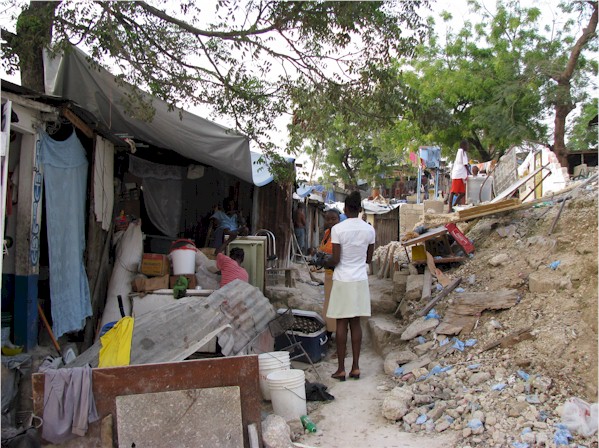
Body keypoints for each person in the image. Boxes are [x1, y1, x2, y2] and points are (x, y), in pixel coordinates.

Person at [325, 191, 375, 381]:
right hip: (360, 279)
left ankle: (340, 369)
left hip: (342, 279)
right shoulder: (369, 230)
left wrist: (324, 262)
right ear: (361, 209)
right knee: (356, 323)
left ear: (345, 209)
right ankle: (355, 367)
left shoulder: (338, 229)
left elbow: (336, 259)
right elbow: (369, 259)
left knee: (341, 324)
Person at [318, 208, 341, 339]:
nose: (331, 222)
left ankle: (334, 332)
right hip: (328, 274)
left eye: (334, 219)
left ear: (339, 219)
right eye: (328, 219)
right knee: (328, 304)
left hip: (336, 274)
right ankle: (330, 330)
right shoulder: (327, 233)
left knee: (333, 305)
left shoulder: (340, 234)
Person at [447, 140, 472, 213]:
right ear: (464, 146)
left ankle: (454, 206)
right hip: (457, 175)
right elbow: (465, 164)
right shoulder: (461, 152)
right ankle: (450, 208)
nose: (468, 147)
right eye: (467, 145)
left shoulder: (462, 152)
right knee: (453, 192)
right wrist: (469, 173)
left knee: (462, 193)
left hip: (460, 175)